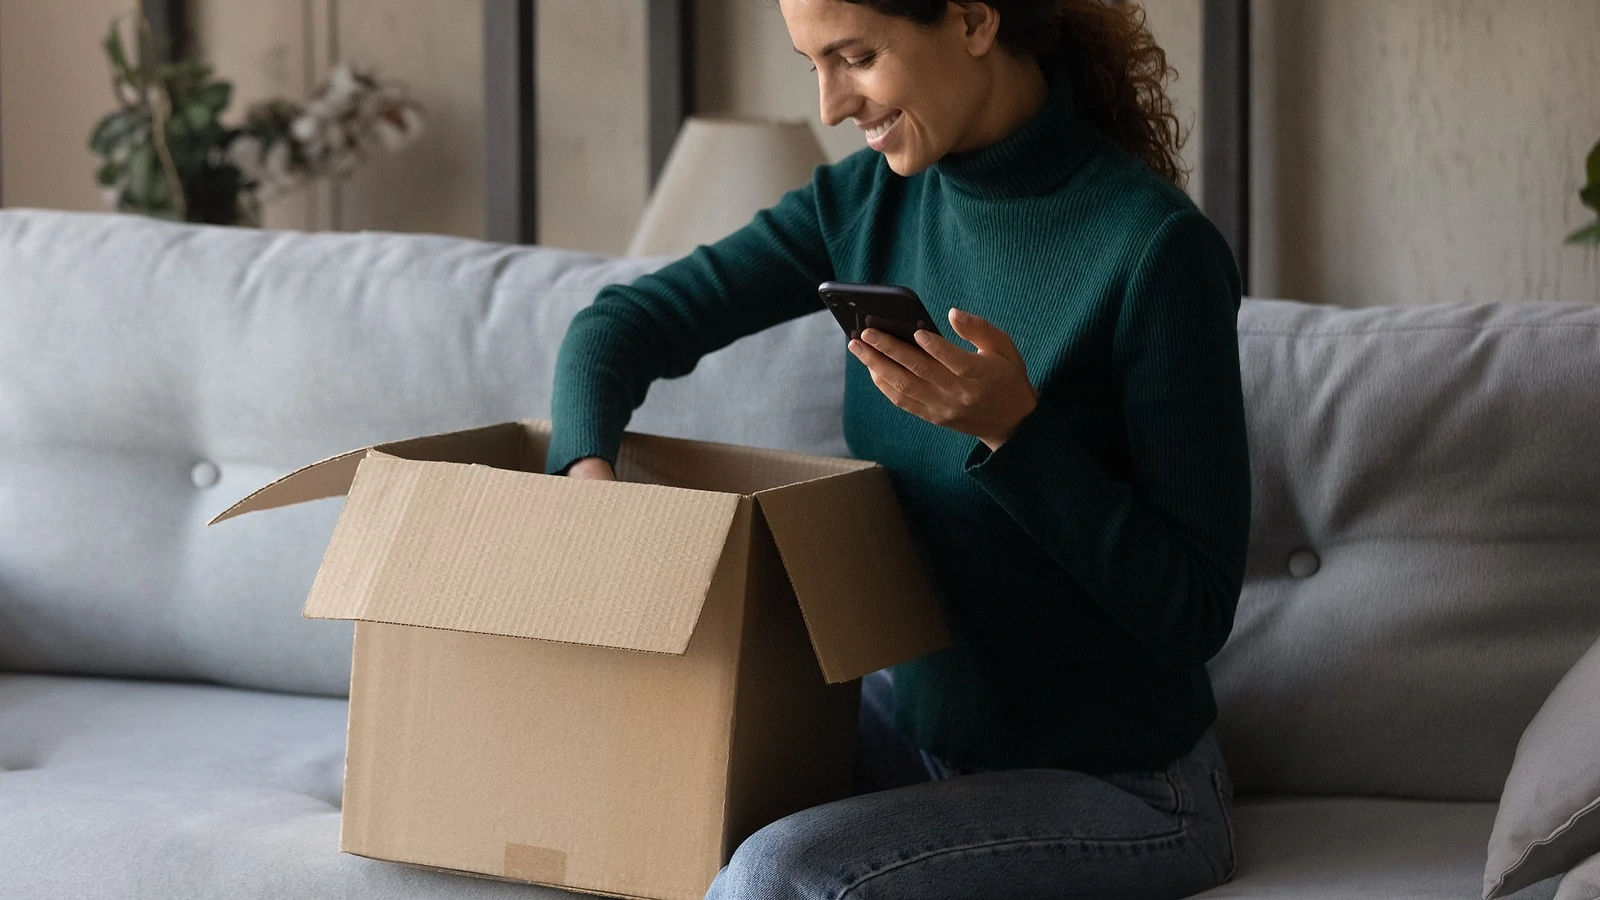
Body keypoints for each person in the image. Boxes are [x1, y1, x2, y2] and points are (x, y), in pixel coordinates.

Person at [545, 0, 1251, 897]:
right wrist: (589, 492)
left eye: (856, 57)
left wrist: (1014, 435)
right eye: (813, 64)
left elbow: (1194, 610)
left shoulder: (1157, 252)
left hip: (1130, 788)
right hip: (921, 737)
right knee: (635, 779)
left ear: (974, 20)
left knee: (775, 879)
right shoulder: (869, 202)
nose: (834, 104)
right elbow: (620, 326)